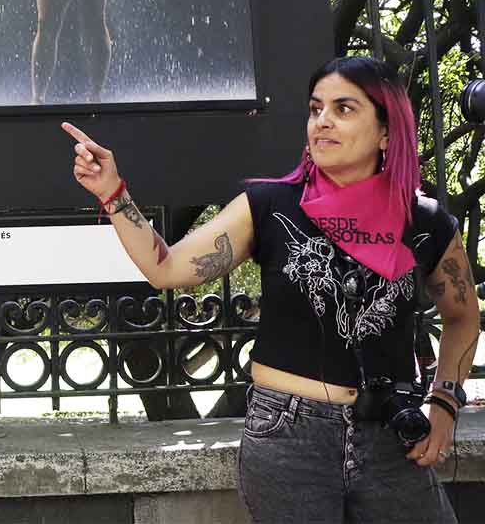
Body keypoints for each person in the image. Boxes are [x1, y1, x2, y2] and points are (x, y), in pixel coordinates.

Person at [63, 56, 479, 523]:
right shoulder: (270, 206)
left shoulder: (424, 223)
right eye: (315, 108)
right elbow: (167, 268)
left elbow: (463, 316)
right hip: (288, 437)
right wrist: (113, 193)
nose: (322, 121)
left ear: (387, 131)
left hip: (391, 438)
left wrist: (444, 402)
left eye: (344, 109)